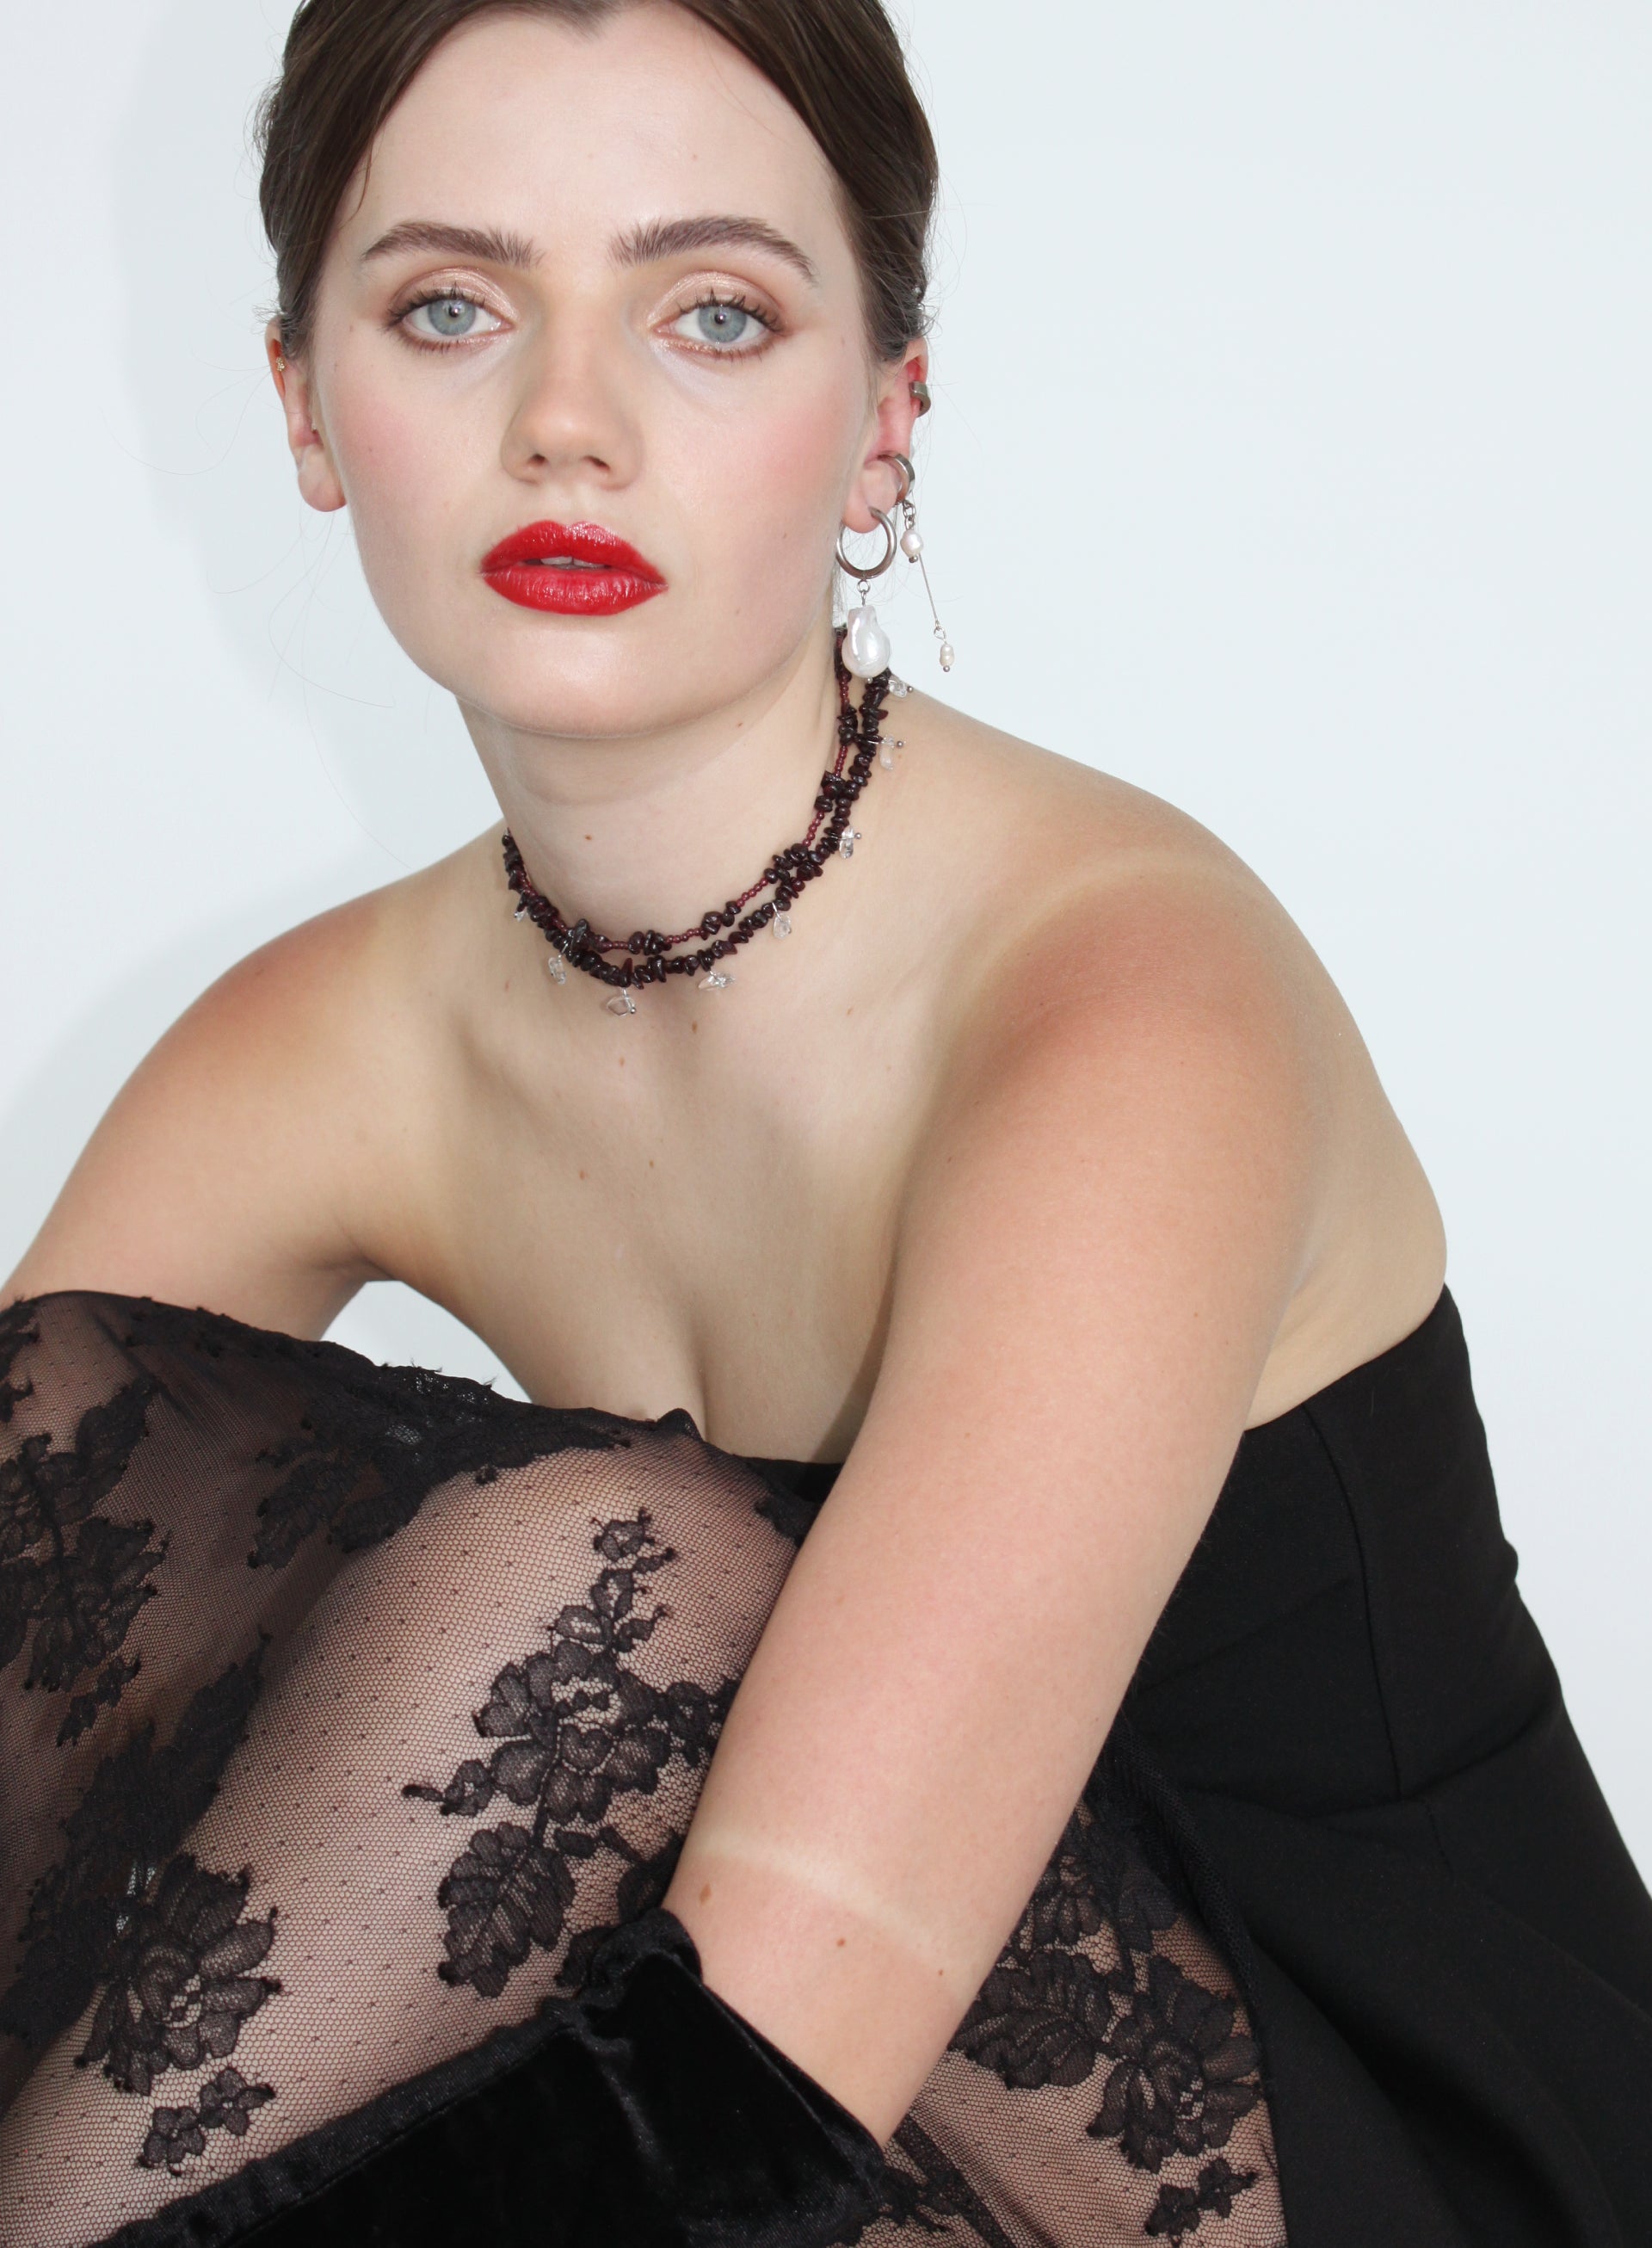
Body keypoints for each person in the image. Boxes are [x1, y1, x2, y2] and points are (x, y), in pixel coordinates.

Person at [1, 2, 1649, 2243]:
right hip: (801, 2096)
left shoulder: (1122, 1003)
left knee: (588, 1597)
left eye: (712, 314)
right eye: (453, 306)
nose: (566, 423)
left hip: (1382, 2131)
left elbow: (745, 2084)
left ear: (884, 418)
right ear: (306, 402)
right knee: (94, 1467)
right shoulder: (324, 1042)